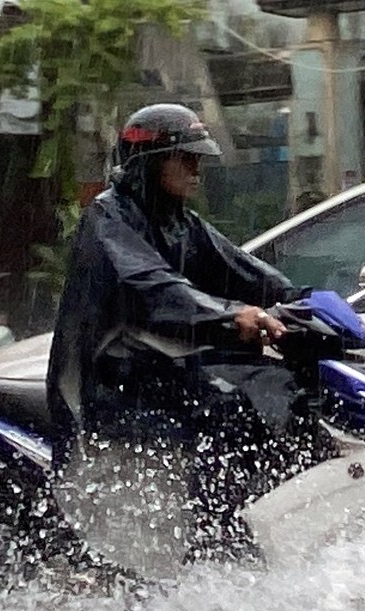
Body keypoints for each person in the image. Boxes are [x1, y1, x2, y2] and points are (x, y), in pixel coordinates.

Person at [46, 102, 316, 555]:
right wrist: (231, 316)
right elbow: (153, 288)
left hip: (159, 372)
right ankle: (214, 545)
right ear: (150, 163)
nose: (196, 169)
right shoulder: (109, 218)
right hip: (113, 382)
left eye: (198, 159)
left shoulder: (178, 221)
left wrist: (302, 300)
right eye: (185, 158)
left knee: (285, 390)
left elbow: (242, 269)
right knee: (235, 409)